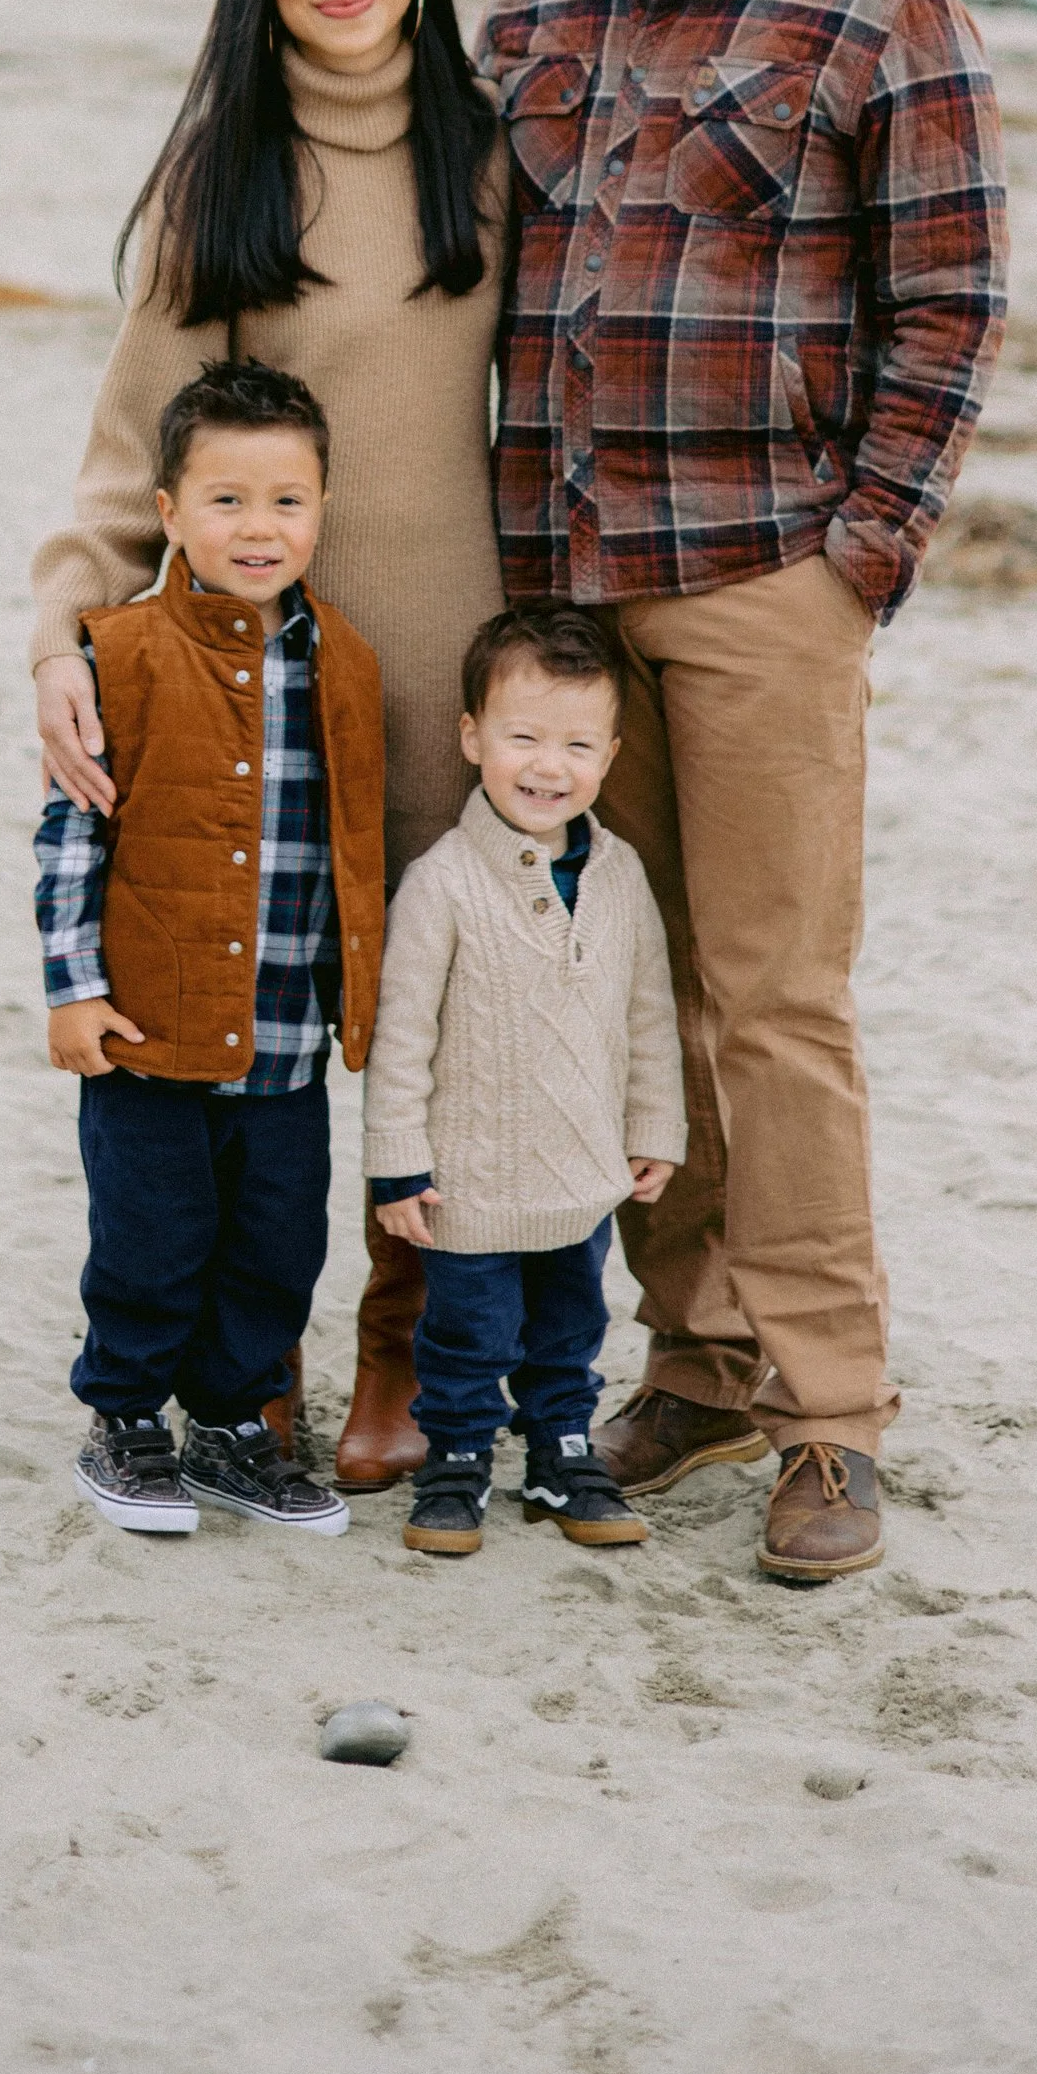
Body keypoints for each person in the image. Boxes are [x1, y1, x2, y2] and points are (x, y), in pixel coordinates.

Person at [476, 0, 1008, 1584]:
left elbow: (945, 307)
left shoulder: (878, 2)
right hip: (569, 600)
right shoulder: (532, 2)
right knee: (626, 994)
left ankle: (827, 1423)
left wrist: (860, 553)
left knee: (772, 1008)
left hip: (764, 580)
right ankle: (692, 1365)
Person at [29, 0, 507, 1489]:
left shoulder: (492, 151)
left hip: (460, 664)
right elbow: (123, 449)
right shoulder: (221, 174)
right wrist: (63, 636)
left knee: (444, 1021)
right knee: (272, 1027)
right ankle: (246, 1363)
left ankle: (402, 1348)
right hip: (273, 684)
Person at [34, 358, 383, 1539]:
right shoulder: (116, 653)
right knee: (149, 1240)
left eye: (286, 501)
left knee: (277, 1244)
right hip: (150, 1027)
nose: (257, 528)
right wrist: (74, 992)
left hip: (287, 1037)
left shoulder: (347, 663)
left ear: (322, 512)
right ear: (169, 515)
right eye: (225, 501)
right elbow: (70, 837)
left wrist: (365, 1003)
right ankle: (125, 1418)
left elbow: (351, 849)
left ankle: (234, 1428)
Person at [364, 604, 685, 1558]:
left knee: (568, 1326)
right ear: (472, 737)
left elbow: (648, 1015)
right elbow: (402, 1035)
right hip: (471, 1177)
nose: (551, 766)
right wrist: (396, 1164)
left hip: (583, 1171)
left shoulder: (621, 875)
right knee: (468, 1332)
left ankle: (561, 1451)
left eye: (579, 744)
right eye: (524, 738)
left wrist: (654, 1127)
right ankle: (457, 1457)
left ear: (613, 754)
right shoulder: (444, 881)